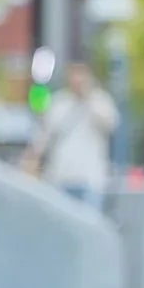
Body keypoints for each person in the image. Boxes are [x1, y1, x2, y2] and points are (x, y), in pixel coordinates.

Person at [24, 61, 117, 210]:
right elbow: (42, 137)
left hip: (90, 179)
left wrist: (87, 96)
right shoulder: (58, 103)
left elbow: (109, 124)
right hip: (60, 177)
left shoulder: (99, 100)